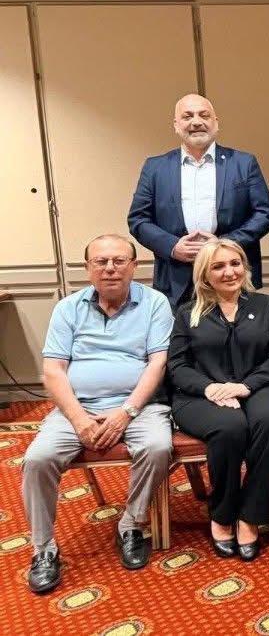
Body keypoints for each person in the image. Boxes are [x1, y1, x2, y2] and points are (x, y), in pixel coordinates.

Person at [22, 235, 174, 594]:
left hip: (139, 406)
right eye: (101, 262)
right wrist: (79, 419)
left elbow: (158, 363)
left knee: (158, 448)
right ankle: (43, 549)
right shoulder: (67, 308)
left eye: (119, 261)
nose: (110, 269)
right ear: (87, 268)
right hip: (77, 407)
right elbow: (53, 371)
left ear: (134, 266)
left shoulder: (155, 303)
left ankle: (132, 524)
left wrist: (126, 412)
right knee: (37, 458)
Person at [168, 239, 269, 562]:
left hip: (261, 387)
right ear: (204, 274)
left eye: (235, 263)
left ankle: (250, 514)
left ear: (245, 267)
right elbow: (177, 365)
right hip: (200, 395)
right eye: (218, 266)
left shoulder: (267, 306)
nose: (229, 272)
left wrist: (244, 387)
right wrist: (210, 389)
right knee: (229, 427)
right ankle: (222, 514)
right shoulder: (187, 313)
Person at [128, 93, 269, 306]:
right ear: (176, 125)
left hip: (232, 275)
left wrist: (223, 246)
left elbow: (264, 214)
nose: (196, 122)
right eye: (187, 116)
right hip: (175, 279)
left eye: (204, 115)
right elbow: (138, 219)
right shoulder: (155, 167)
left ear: (216, 123)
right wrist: (173, 246)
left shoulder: (243, 163)